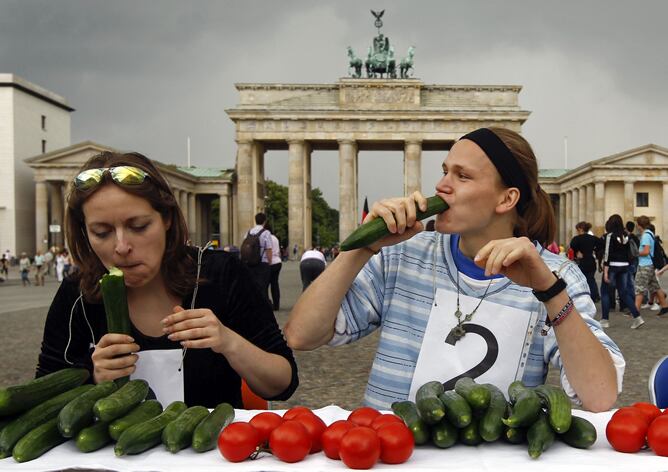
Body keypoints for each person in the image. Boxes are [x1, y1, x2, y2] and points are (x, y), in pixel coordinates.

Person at [286, 127, 622, 412]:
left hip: (489, 461)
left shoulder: (554, 275)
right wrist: (362, 247)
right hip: (391, 453)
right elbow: (303, 335)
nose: (442, 186)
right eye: (445, 171)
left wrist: (550, 291)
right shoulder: (401, 255)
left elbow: (600, 396)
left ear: (506, 200)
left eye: (462, 176)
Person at [36, 151, 298, 408]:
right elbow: (42, 396)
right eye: (102, 232)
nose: (122, 246)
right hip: (112, 450)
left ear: (167, 219)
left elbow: (282, 383)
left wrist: (229, 342)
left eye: (138, 226)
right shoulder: (78, 292)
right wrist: (92, 380)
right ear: (85, 233)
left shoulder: (221, 273)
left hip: (211, 449)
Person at [599, 214, 643, 328]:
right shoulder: (626, 235)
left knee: (605, 292)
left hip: (613, 266)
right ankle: (637, 317)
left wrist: (606, 271)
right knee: (624, 293)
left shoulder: (610, 236)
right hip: (624, 266)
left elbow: (608, 254)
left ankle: (605, 319)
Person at [634, 215, 668, 316]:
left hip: (644, 265)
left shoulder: (645, 236)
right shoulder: (650, 234)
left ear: (639, 225)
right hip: (650, 265)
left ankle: (636, 312)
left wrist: (635, 253)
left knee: (639, 288)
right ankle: (665, 306)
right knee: (655, 287)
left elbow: (646, 251)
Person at [241, 213, 273, 297]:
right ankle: (263, 306)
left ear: (255, 220)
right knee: (263, 287)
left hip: (250, 263)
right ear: (265, 221)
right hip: (262, 263)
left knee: (252, 286)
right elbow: (269, 248)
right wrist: (270, 262)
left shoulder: (249, 232)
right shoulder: (266, 233)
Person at [569, 222, 601, 303]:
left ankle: (584, 295)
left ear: (580, 229)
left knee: (581, 279)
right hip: (591, 260)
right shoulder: (593, 238)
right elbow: (601, 244)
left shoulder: (577, 239)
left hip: (582, 260)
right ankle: (595, 296)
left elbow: (572, 245)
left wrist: (577, 252)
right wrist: (595, 251)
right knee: (591, 279)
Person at [266, 224, 282, 311]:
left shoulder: (266, 237)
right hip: (277, 262)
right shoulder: (275, 238)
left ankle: (267, 303)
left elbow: (268, 250)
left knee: (265, 284)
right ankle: (276, 305)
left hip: (269, 263)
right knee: (275, 284)